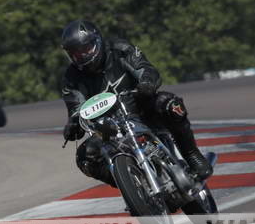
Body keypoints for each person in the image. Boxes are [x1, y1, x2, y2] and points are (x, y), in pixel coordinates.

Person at [59, 19, 213, 187]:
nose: (82, 56)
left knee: (171, 104)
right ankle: (133, 186)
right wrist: (73, 125)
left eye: (86, 49)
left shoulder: (120, 49)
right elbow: (75, 109)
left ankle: (192, 155)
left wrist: (147, 83)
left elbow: (146, 69)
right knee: (85, 157)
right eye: (76, 53)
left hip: (142, 109)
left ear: (98, 41)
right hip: (107, 129)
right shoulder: (70, 78)